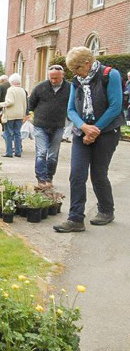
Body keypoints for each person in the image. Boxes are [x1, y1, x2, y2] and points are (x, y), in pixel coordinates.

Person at [53, 47, 124, 233]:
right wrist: (84, 128)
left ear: (87, 63)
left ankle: (106, 210)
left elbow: (116, 106)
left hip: (107, 132)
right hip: (81, 132)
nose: (74, 73)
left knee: (98, 174)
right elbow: (71, 110)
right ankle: (75, 219)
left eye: (76, 68)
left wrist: (95, 129)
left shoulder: (110, 75)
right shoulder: (77, 81)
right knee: (77, 174)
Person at [27, 64, 70, 188]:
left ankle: (49, 177)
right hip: (40, 125)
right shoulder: (40, 87)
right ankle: (41, 179)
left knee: (53, 155)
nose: (53, 80)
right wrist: (30, 116)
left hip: (58, 126)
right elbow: (31, 104)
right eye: (51, 78)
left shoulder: (70, 88)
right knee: (41, 152)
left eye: (56, 78)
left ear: (62, 76)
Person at [0, 73, 27, 158]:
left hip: (10, 114)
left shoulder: (11, 90)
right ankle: (18, 151)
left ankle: (9, 152)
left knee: (8, 133)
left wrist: (1, 104)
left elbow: (10, 102)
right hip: (20, 114)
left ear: (11, 82)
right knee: (17, 133)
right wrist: (24, 114)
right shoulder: (22, 90)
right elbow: (25, 103)